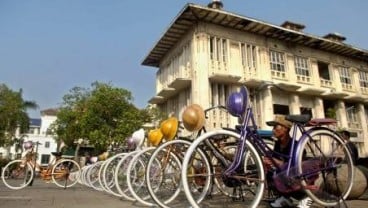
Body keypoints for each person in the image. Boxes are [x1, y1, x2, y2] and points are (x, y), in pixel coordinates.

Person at [264, 114, 313, 208]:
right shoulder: (277, 144)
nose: (273, 130)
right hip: (287, 178)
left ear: (285, 128)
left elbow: (297, 168)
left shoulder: (296, 146)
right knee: (270, 173)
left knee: (292, 174)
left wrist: (277, 162)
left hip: (301, 180)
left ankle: (306, 197)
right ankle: (286, 198)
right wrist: (268, 164)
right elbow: (274, 163)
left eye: (275, 127)